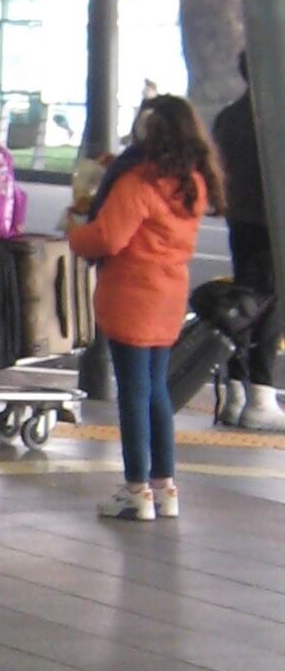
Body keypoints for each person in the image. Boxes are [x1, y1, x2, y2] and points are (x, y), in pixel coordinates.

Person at [68, 95, 224, 522]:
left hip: (131, 297)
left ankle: (136, 489)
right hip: (168, 296)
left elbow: (108, 237)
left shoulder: (138, 183)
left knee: (133, 394)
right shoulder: (193, 182)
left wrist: (74, 232)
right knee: (156, 391)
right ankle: (164, 487)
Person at [214, 54, 285, 433]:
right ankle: (261, 394)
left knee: (244, 301)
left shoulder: (229, 117)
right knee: (271, 304)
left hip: (240, 219)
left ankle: (237, 391)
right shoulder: (274, 118)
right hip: (272, 223)